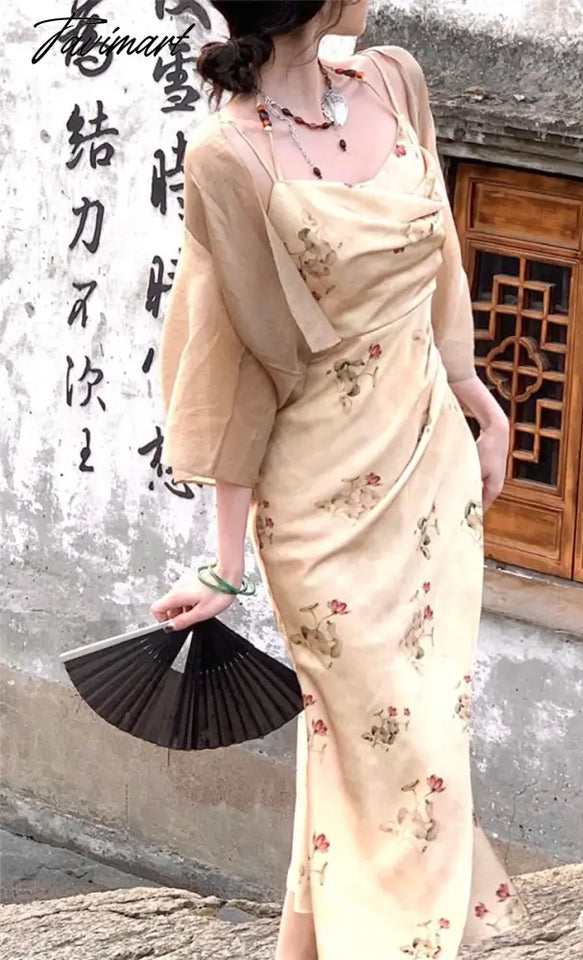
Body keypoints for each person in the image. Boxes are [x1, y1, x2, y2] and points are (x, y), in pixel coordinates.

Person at [151, 2, 531, 958]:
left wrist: (476, 398)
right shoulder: (227, 157)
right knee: (394, 742)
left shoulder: (394, 80)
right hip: (317, 496)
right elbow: (233, 356)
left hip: (428, 467)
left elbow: (439, 260)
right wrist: (227, 563)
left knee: (393, 734)